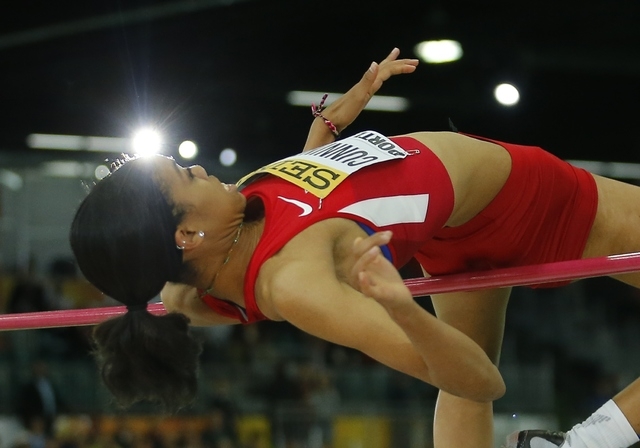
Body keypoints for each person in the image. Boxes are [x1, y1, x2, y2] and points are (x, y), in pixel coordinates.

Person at [68, 47, 640, 448]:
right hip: (524, 198)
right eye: (185, 177)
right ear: (186, 236)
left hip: (449, 229)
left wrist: (326, 126)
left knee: (460, 392)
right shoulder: (296, 283)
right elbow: (481, 380)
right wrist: (396, 304)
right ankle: (591, 442)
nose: (198, 166)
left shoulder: (223, 234)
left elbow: (311, 203)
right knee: (466, 381)